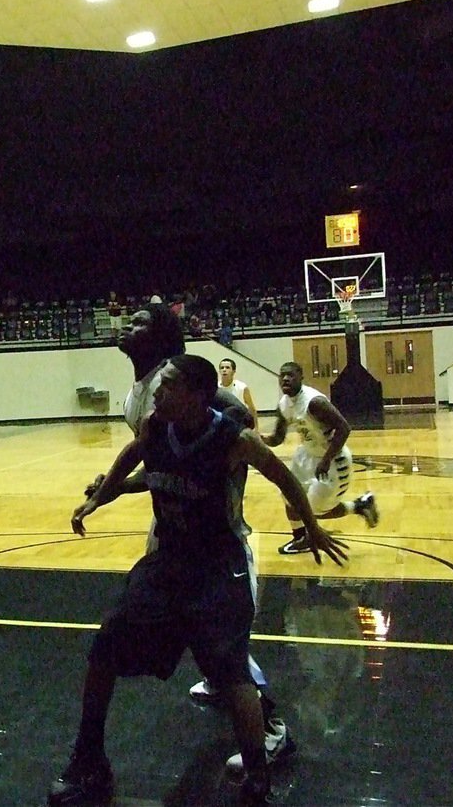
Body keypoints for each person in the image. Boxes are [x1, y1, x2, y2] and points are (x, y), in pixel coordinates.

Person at [51, 355, 348, 807]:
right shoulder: (156, 427)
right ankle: (89, 759)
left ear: (196, 395)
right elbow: (132, 457)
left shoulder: (232, 439)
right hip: (169, 562)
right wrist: (100, 497)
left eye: (168, 385)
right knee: (104, 645)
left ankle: (257, 781)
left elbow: (284, 476)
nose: (159, 393)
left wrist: (313, 525)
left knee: (230, 670)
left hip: (217, 565)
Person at [91, 303, 292, 771]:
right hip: (169, 529)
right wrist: (111, 488)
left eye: (140, 322)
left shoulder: (187, 387)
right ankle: (227, 686)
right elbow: (155, 458)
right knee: (195, 632)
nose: (126, 326)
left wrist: (220, 490)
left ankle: (270, 729)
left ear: (163, 338)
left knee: (223, 641)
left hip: (211, 539)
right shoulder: (138, 395)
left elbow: (234, 421)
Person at [263, 362, 379, 554]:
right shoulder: (284, 404)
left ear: (301, 377)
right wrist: (255, 438)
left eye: (290, 375)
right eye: (282, 375)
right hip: (306, 455)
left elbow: (344, 428)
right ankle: (300, 538)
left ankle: (359, 506)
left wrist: (325, 460)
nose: (285, 379)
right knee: (289, 495)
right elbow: (277, 438)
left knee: (313, 511)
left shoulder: (314, 402)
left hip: (332, 458)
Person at [219, 357, 258, 424]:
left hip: (239, 422)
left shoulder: (242, 387)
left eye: (227, 367)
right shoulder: (215, 387)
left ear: (234, 371)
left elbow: (252, 410)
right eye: (222, 368)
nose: (224, 370)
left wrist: (256, 430)